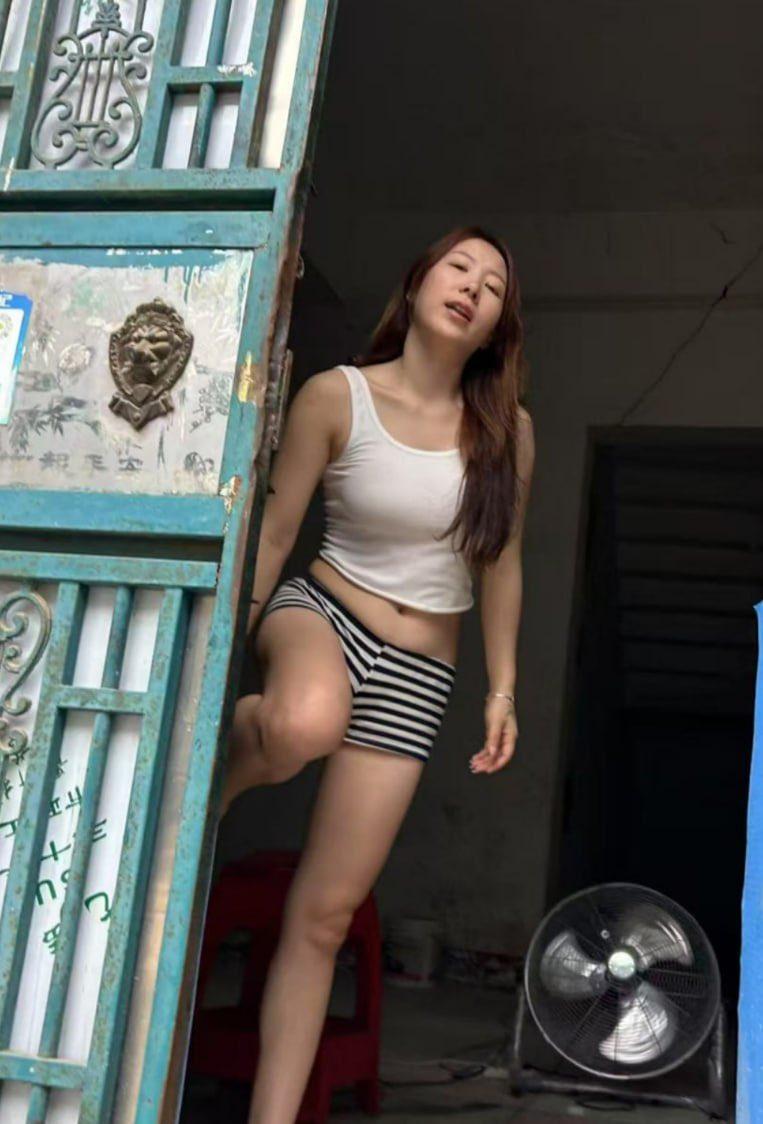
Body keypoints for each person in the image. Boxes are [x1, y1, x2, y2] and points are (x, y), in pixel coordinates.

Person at [220, 224, 535, 1124]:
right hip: (321, 614)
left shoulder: (506, 434)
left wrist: (501, 690)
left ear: (497, 327)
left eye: (492, 286)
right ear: (419, 281)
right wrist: (222, 652)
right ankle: (219, 776)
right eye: (458, 267)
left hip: (418, 669)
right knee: (303, 722)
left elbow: (501, 564)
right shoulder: (337, 395)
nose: (471, 286)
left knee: (323, 917)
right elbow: (277, 532)